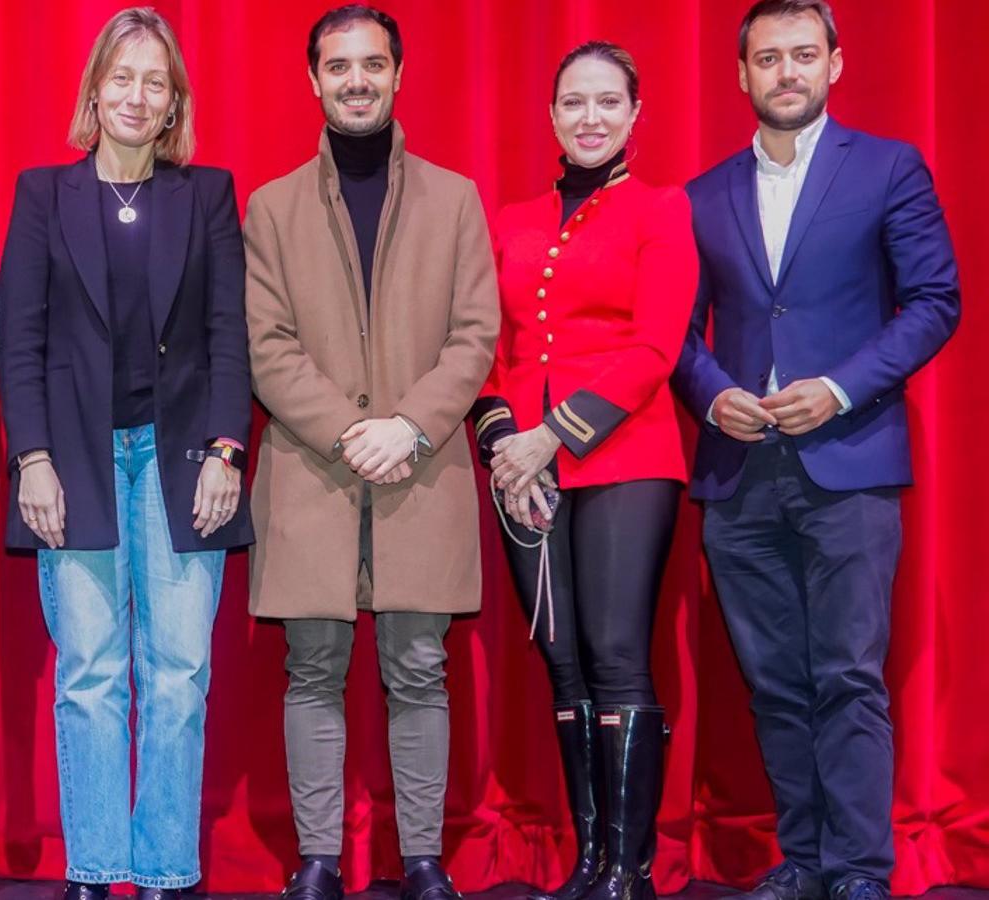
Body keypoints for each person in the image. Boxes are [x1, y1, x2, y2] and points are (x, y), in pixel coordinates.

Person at [671, 4, 960, 900]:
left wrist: (836, 389)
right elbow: (674, 335)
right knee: (776, 684)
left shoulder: (887, 168)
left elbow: (934, 301)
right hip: (741, 474)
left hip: (849, 462)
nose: (785, 71)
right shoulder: (702, 192)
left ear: (836, 63)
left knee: (846, 677)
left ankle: (860, 873)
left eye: (803, 54)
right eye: (768, 57)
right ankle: (803, 860)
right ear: (742, 76)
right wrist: (714, 392)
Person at [242, 6, 499, 900]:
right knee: (311, 667)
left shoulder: (454, 197)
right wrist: (350, 433)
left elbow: (475, 336)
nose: (357, 80)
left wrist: (411, 428)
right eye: (339, 66)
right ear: (313, 80)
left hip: (421, 474)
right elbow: (266, 346)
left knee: (419, 669)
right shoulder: (269, 208)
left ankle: (422, 860)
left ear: (399, 74)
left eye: (373, 64)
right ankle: (318, 860)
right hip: (313, 476)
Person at [0, 8, 253, 899]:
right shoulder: (42, 194)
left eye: (156, 81)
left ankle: (169, 871)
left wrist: (228, 448)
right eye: (122, 77)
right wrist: (31, 457)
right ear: (95, 90)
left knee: (179, 674)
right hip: (75, 463)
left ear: (173, 98)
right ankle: (98, 868)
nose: (137, 95)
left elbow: (231, 336)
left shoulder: (209, 194)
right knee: (91, 675)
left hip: (183, 461)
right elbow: (18, 341)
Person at [468, 41, 697, 900]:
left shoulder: (662, 210)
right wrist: (503, 444)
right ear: (553, 115)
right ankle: (592, 861)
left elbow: (654, 347)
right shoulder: (511, 219)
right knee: (561, 664)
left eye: (608, 102)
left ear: (635, 115)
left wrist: (550, 437)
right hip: (520, 466)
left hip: (625, 457)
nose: (590, 118)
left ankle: (630, 873)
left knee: (616, 657)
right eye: (574, 103)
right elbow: (487, 349)